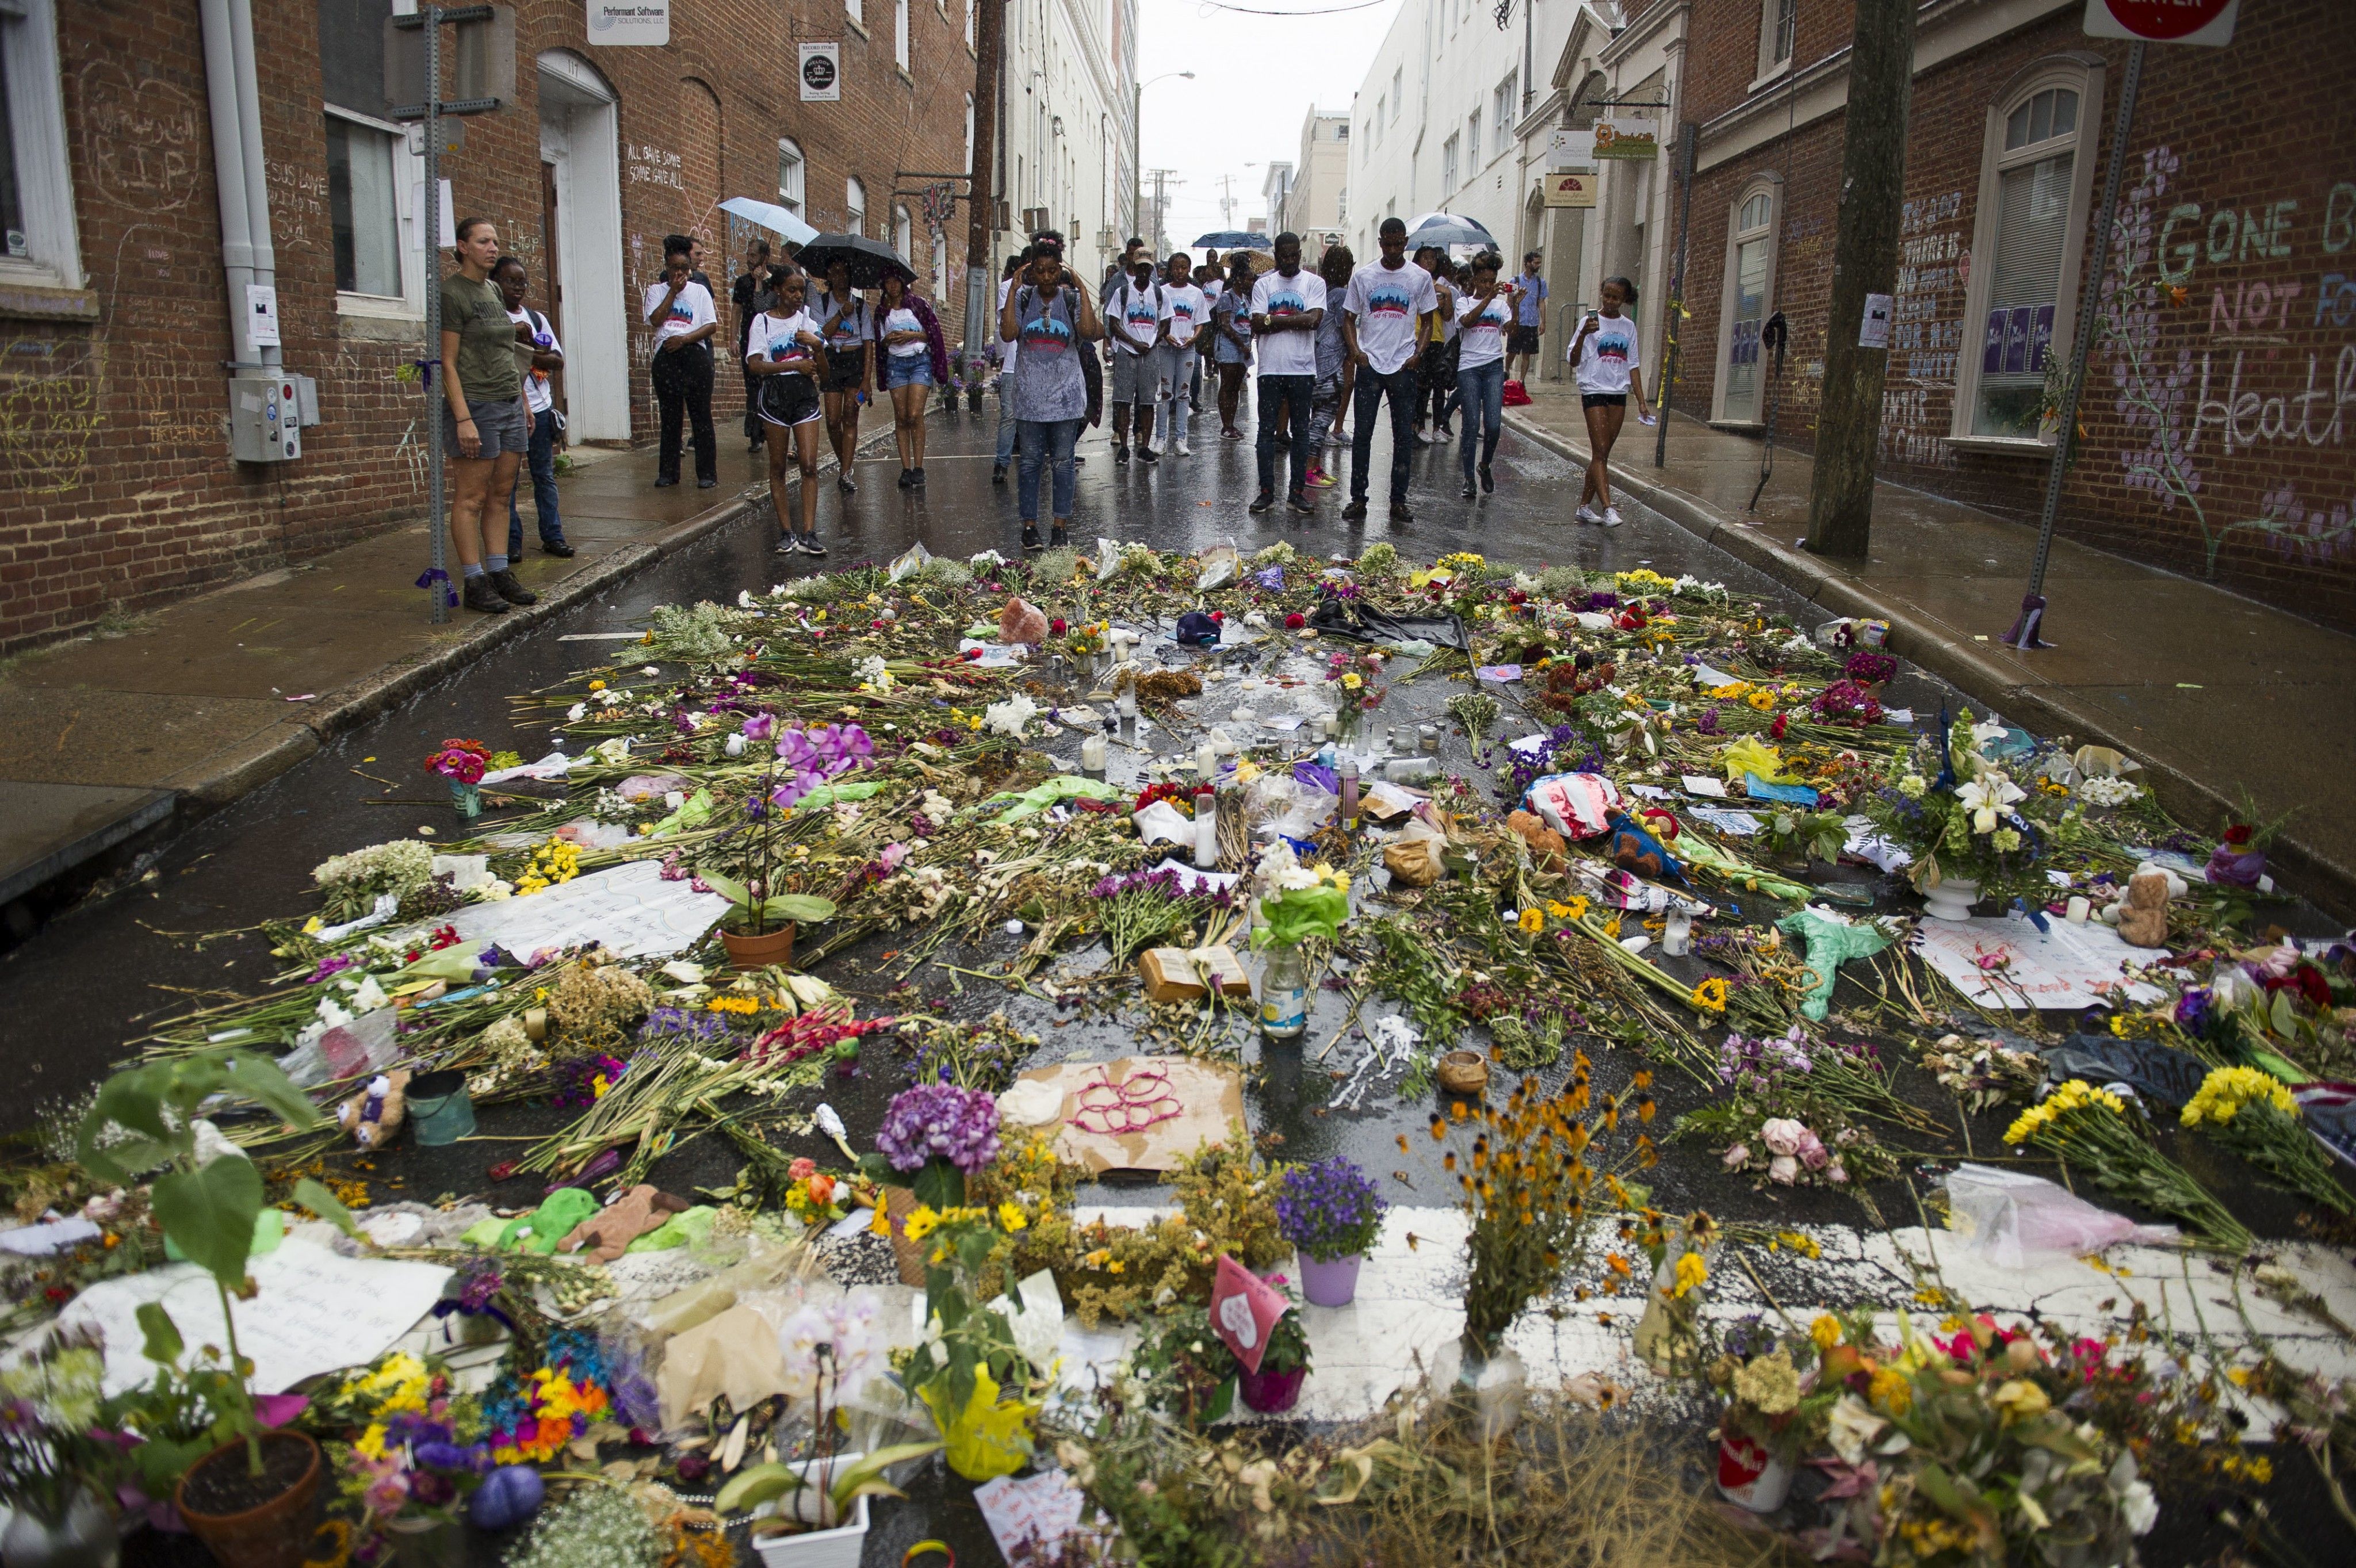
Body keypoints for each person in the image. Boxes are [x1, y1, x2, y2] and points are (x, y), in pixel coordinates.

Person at [436, 218, 536, 615]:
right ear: (463, 247)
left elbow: (505, 351)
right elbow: (447, 363)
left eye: (495, 241)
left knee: (501, 494)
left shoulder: (494, 289)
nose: (493, 248)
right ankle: (474, 579)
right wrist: (463, 419)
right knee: (471, 497)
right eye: (483, 241)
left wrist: (523, 400)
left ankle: (499, 572)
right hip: (476, 405)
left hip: (509, 402)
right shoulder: (452, 294)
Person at [998, 237, 1100, 550]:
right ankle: (1029, 527)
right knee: (1029, 463)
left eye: (1052, 271)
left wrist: (1082, 290)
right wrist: (1014, 289)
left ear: (1060, 272)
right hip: (1030, 398)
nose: (1045, 277)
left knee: (1063, 463)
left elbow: (1088, 331)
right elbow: (1008, 333)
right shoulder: (1023, 298)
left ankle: (1060, 527)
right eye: (1040, 271)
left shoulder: (1070, 299)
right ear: (1032, 272)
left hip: (1065, 398)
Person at [1341, 216, 1440, 524]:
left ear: (1406, 243)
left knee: (1403, 437)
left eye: (1400, 244)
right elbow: (1348, 318)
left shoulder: (1419, 278)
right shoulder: (1365, 276)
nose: (1395, 249)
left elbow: (1428, 320)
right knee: (1363, 435)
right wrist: (1357, 353)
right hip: (1371, 364)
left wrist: (1418, 354)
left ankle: (1398, 501)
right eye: (1389, 243)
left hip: (1403, 365)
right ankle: (1358, 499)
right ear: (1381, 242)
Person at [493, 257, 573, 560]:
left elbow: (557, 360)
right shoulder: (495, 320)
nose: (517, 287)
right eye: (509, 281)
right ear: (495, 282)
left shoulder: (536, 319)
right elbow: (501, 358)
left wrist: (528, 352)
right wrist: (531, 351)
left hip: (540, 408)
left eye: (522, 281)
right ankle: (511, 542)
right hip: (508, 409)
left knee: (545, 476)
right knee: (507, 482)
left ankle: (553, 536)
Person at [746, 263, 829, 554]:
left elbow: (826, 375)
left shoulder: (807, 322)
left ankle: (809, 532)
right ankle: (786, 531)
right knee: (778, 466)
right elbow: (755, 365)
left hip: (804, 396)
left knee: (808, 464)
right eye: (791, 290)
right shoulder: (762, 322)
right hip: (775, 397)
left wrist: (816, 346)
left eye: (801, 291)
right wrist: (794, 364)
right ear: (777, 290)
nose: (797, 296)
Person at [1248, 232, 1325, 516]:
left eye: (1295, 255)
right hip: (1270, 369)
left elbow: (1314, 320)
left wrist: (1274, 320)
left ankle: (1296, 493)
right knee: (1266, 432)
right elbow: (1257, 323)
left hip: (1302, 370)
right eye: (1284, 256)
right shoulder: (1263, 284)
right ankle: (1266, 492)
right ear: (1277, 255)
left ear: (1300, 254)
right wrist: (1296, 320)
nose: (1290, 261)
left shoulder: (1314, 283)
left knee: (1301, 432)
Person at [1568, 275, 1651, 527]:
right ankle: (1608, 508)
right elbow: (1573, 359)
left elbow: (1633, 365)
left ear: (1625, 300)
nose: (1610, 302)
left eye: (1616, 297)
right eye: (1607, 295)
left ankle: (1584, 507)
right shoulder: (1588, 322)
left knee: (1601, 454)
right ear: (1602, 293)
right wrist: (1583, 333)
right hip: (1593, 389)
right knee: (1600, 452)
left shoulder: (1629, 327)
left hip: (1618, 393)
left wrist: (1641, 400)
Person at [643, 243, 720, 488]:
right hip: (666, 356)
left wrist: (684, 339)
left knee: (701, 416)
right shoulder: (657, 290)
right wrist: (672, 293)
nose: (680, 274)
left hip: (694, 353)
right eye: (675, 268)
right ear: (667, 267)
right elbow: (655, 320)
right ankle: (668, 472)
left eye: (684, 269)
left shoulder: (700, 292)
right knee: (670, 416)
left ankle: (707, 474)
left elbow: (711, 325)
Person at [1452, 251, 1518, 499]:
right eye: (1483, 281)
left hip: (1493, 367)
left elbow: (1511, 329)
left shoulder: (1502, 306)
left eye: (1492, 281)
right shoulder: (1464, 302)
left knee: (1493, 424)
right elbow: (1467, 322)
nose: (1488, 286)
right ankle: (1469, 478)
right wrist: (1488, 297)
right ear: (1474, 280)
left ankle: (1485, 465)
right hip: (1469, 367)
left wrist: (1517, 305)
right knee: (1470, 424)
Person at [875, 269, 948, 487]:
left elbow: (933, 333)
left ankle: (919, 467)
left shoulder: (918, 305)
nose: (892, 286)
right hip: (896, 364)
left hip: (919, 361)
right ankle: (905, 468)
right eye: (888, 282)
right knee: (902, 416)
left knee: (916, 414)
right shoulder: (881, 311)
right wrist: (889, 340)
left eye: (895, 281)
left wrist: (911, 335)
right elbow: (880, 343)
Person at [813, 259, 871, 493]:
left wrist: (867, 380)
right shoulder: (822, 302)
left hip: (854, 360)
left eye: (845, 273)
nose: (841, 277)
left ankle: (845, 473)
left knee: (850, 415)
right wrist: (840, 314)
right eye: (835, 273)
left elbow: (868, 343)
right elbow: (820, 335)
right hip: (831, 361)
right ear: (829, 276)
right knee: (832, 420)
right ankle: (844, 460)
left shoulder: (861, 306)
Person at [1104, 252, 1165, 463]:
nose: (1144, 272)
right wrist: (1134, 343)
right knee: (1123, 402)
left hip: (1149, 354)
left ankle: (1145, 447)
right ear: (1134, 266)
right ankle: (1123, 447)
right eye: (1140, 267)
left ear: (1152, 269)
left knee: (1148, 403)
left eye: (1148, 268)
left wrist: (1151, 342)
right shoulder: (1122, 292)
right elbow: (1113, 324)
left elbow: (1165, 325)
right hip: (1126, 353)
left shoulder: (1159, 294)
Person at [1303, 244, 1355, 491]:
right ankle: (1310, 470)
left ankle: (1314, 467)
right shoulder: (1342, 295)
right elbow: (1346, 325)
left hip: (1312, 364)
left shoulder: (1318, 291)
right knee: (1322, 421)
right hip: (1330, 366)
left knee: (1316, 419)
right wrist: (1355, 352)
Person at [1153, 253, 1207, 458]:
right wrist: (1166, 336)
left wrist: (1194, 338)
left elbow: (1201, 320)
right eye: (1176, 267)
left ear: (1189, 269)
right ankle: (1161, 439)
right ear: (1170, 269)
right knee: (1165, 394)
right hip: (1166, 348)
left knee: (1184, 394)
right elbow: (1158, 320)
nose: (1179, 271)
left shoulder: (1196, 293)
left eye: (1184, 268)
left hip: (1187, 349)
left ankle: (1181, 439)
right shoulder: (1162, 292)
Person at [731, 238, 774, 450]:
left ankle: (769, 428)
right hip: (749, 341)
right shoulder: (742, 283)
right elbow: (737, 310)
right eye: (748, 255)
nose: (749, 259)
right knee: (752, 387)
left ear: (765, 257)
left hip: (770, 340)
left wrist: (762, 283)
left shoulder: (775, 282)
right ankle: (755, 434)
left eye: (753, 255)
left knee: (768, 387)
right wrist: (732, 338)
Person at [1411, 245, 1457, 443]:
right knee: (1421, 386)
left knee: (1439, 385)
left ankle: (1438, 427)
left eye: (1433, 258)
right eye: (1425, 258)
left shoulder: (1442, 287)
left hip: (1438, 339)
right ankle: (1420, 426)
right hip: (1418, 338)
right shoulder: (1414, 282)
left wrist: (1445, 297)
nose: (1429, 262)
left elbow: (1448, 316)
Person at [991, 250, 1028, 483]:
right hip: (1014, 362)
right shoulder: (1008, 288)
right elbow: (1004, 325)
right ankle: (1002, 462)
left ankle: (1032, 461)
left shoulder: (1045, 291)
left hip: (1039, 362)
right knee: (1009, 414)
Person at [1211, 252, 1255, 439]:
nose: (1251, 282)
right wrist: (1240, 344)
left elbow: (1251, 321)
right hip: (1229, 349)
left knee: (1236, 386)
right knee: (1227, 386)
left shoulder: (1247, 299)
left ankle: (1232, 424)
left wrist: (1249, 341)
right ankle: (1226, 425)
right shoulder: (1226, 298)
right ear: (1238, 279)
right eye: (1248, 279)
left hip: (1243, 349)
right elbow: (1225, 325)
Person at [1508, 250, 1548, 384]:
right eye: (1536, 263)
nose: (1538, 265)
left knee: (1527, 354)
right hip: (1517, 322)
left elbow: (1541, 302)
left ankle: (1521, 381)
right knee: (1512, 351)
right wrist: (1505, 321)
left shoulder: (1540, 283)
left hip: (1532, 323)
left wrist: (1543, 322)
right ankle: (1506, 372)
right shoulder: (1516, 281)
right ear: (1528, 263)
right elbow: (1509, 302)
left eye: (1539, 263)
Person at [1193, 253, 1222, 414]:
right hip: (1205, 317)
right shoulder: (1204, 285)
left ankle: (1214, 369)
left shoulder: (1220, 284)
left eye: (1210, 271)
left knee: (1213, 344)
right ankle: (1207, 367)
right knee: (1204, 345)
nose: (1208, 273)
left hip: (1215, 316)